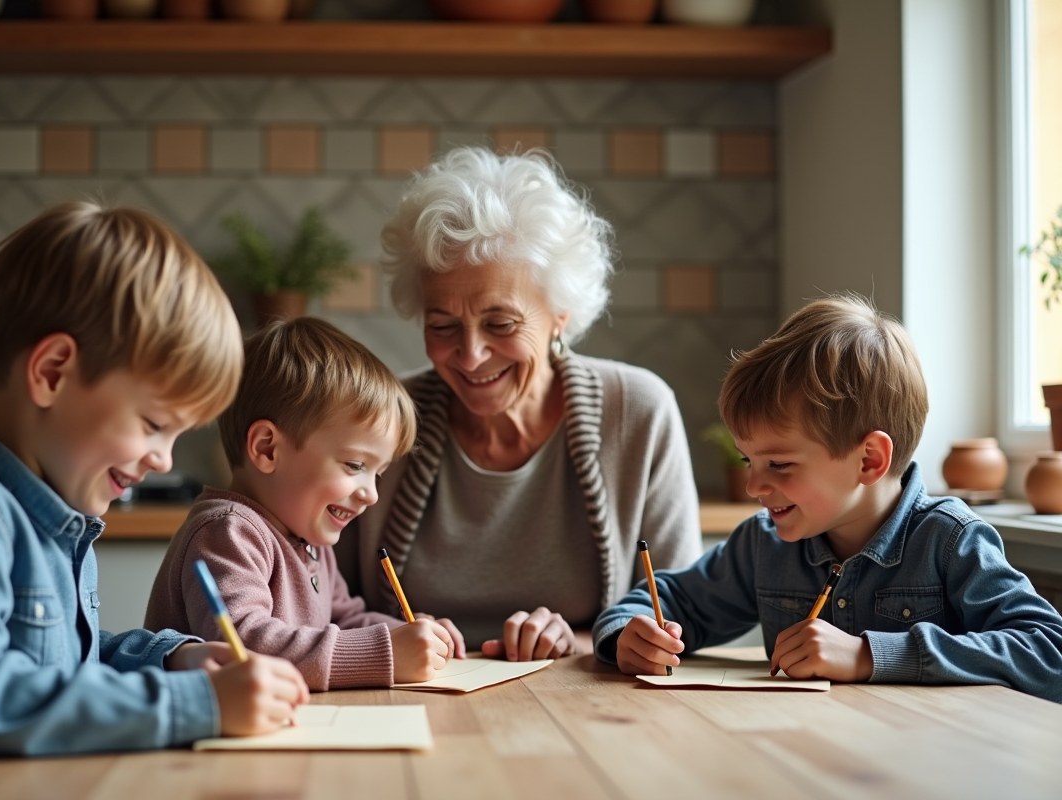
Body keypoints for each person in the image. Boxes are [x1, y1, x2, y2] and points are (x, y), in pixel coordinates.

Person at [0, 202, 310, 800]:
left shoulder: (56, 522)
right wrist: (192, 704)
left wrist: (174, 659)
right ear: (51, 372)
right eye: (154, 423)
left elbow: (63, 669)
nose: (164, 460)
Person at [594, 295, 1062, 701]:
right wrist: (628, 636)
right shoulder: (764, 545)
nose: (755, 487)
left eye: (778, 465)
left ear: (868, 460)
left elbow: (1048, 652)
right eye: (747, 462)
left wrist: (867, 655)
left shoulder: (949, 540)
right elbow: (668, 600)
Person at [340, 146, 704, 662]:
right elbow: (321, 601)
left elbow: (680, 615)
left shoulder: (638, 411)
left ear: (560, 312)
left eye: (500, 323)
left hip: (587, 710)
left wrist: (581, 643)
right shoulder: (382, 419)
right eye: (442, 326)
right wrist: (384, 636)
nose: (470, 355)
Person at [146, 318, 464, 690]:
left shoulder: (305, 537)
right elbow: (243, 644)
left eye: (377, 474)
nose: (371, 494)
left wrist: (410, 634)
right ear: (267, 448)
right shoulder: (227, 532)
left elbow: (344, 618)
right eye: (355, 466)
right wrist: (386, 652)